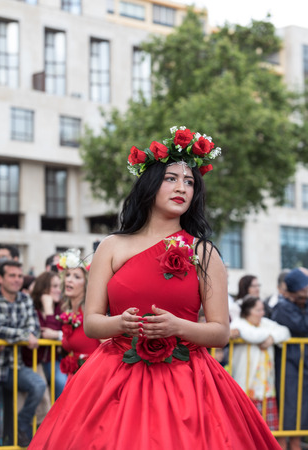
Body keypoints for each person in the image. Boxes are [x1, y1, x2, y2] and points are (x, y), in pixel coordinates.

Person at [29, 126, 280, 449]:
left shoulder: (204, 252)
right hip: (114, 376)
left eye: (190, 182)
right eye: (171, 179)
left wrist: (179, 327)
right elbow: (92, 322)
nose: (182, 188)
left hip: (188, 382)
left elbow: (219, 332)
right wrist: (118, 324)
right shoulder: (111, 246)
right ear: (149, 186)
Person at [0, 260, 47, 447]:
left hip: (13, 366)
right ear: (0, 279)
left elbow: (34, 330)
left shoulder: (25, 299)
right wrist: (22, 336)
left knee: (38, 385)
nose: (17, 280)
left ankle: (23, 424)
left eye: (20, 276)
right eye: (12, 275)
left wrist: (11, 336)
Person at [230, 295, 290, 437]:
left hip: (266, 389)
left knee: (267, 433)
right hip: (246, 387)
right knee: (246, 432)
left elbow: (285, 331)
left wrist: (273, 338)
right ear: (247, 312)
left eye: (262, 310)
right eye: (258, 310)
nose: (262, 313)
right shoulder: (238, 323)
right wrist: (270, 336)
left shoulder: (264, 323)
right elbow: (253, 336)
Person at [271, 268, 308, 450]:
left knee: (302, 405)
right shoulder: (282, 306)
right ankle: (287, 446)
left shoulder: (302, 304)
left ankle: (297, 444)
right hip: (288, 363)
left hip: (302, 362)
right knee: (289, 405)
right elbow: (302, 326)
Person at [55, 249, 100, 382]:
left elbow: (109, 344)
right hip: (75, 377)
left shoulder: (90, 310)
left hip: (93, 377)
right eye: (67, 275)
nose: (69, 280)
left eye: (76, 277)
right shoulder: (67, 312)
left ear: (86, 283)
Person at [22, 271, 67, 399]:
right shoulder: (32, 307)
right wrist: (48, 309)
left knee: (61, 383)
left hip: (52, 359)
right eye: (55, 286)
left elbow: (52, 333)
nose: (59, 290)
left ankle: (59, 418)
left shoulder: (60, 308)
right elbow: (46, 334)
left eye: (60, 286)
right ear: (44, 288)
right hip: (32, 361)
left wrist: (49, 310)